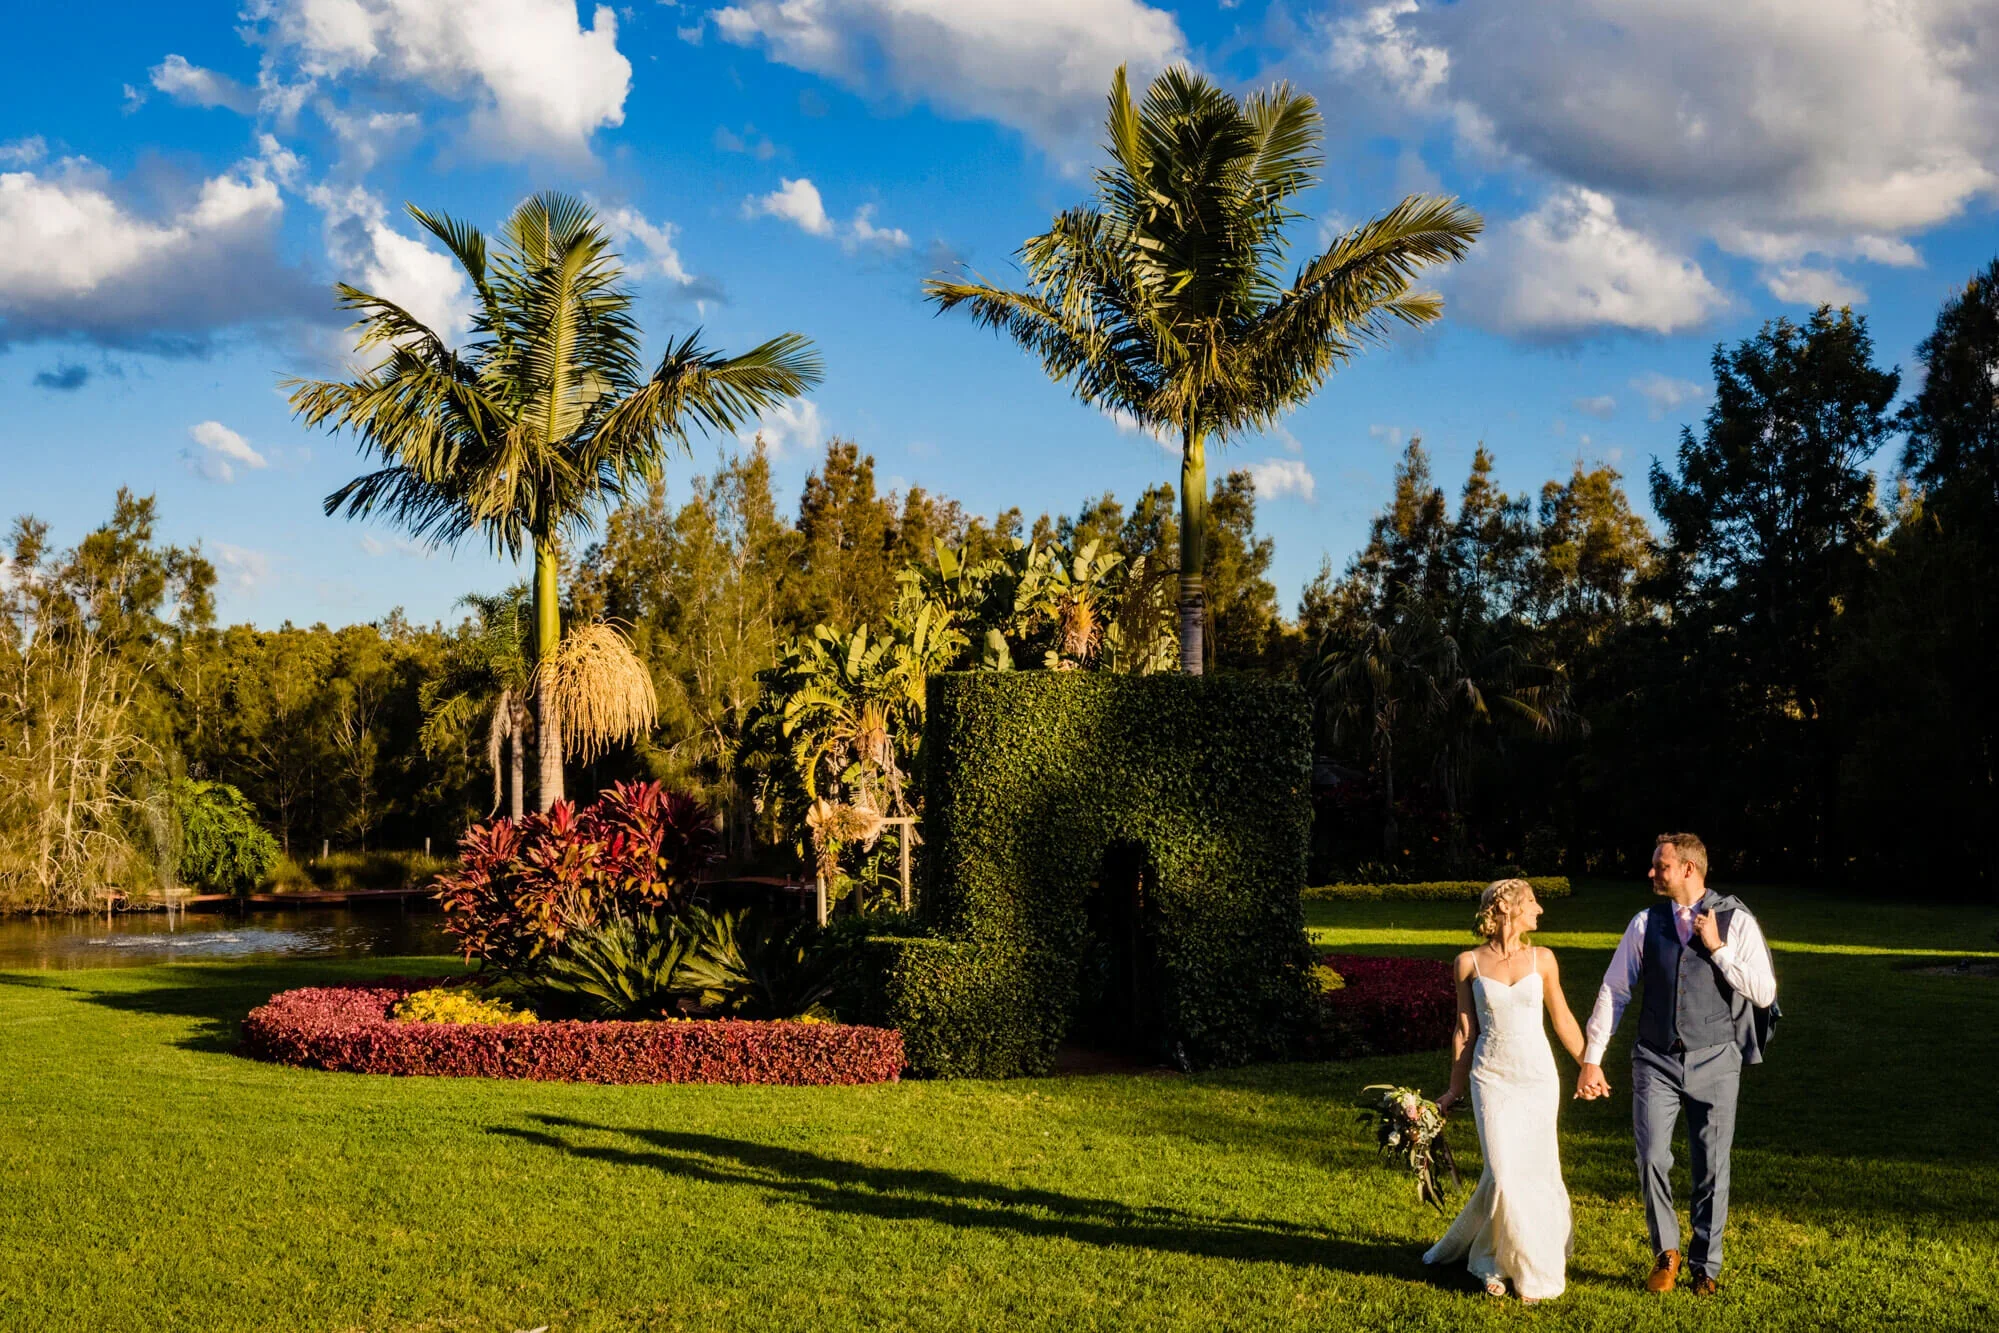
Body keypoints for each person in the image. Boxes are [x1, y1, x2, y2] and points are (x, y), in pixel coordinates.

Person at [1574, 833, 1779, 1297]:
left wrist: (1719, 949)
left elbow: (1765, 992)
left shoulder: (1736, 921)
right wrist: (1592, 1059)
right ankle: (1666, 1251)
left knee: (1712, 1166)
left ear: (1689, 869)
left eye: (1660, 866)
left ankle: (1706, 1265)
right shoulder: (1644, 923)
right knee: (1651, 1156)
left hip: (1717, 1058)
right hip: (1655, 1057)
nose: (1651, 873)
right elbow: (1614, 990)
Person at [1424, 878, 1587, 1303]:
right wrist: (1453, 1090)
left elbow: (1563, 1018)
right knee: (1501, 1173)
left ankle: (1529, 1267)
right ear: (1506, 908)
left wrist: (1589, 1065)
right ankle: (1488, 1258)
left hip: (1537, 1078)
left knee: (1537, 1170)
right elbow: (1464, 1031)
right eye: (1532, 902)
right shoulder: (1468, 963)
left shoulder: (1542, 959)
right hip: (1491, 1078)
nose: (1540, 910)